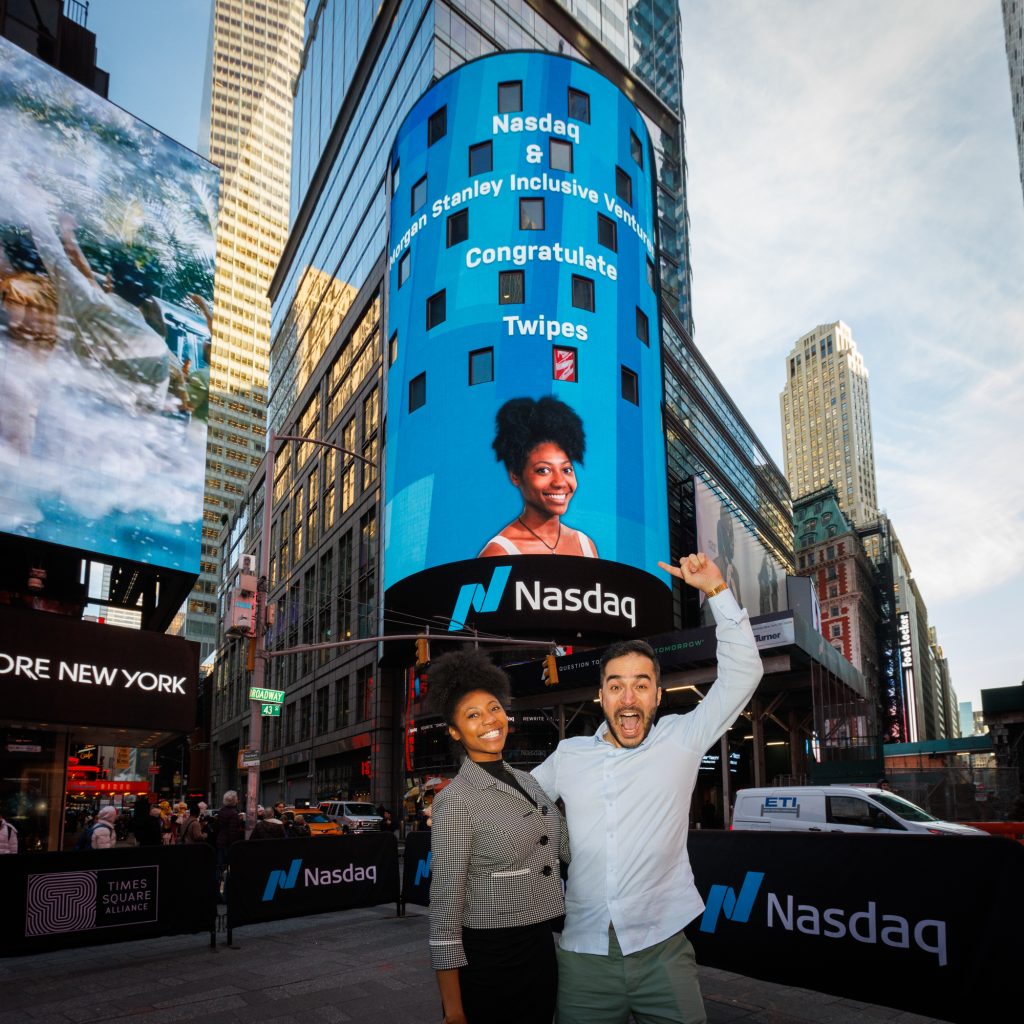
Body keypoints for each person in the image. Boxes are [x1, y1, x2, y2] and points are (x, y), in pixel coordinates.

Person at [533, 552, 763, 1024]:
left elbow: (744, 674)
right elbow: (511, 801)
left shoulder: (683, 738)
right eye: (616, 686)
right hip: (583, 957)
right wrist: (458, 801)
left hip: (663, 954)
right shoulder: (570, 754)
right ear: (601, 697)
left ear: (658, 696)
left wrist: (717, 592)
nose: (629, 697)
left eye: (642, 685)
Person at [428, 650, 567, 1024]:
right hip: (489, 959)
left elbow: (563, 846)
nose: (489, 720)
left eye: (493, 708)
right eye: (472, 715)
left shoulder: (528, 781)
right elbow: (444, 910)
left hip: (539, 948)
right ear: (455, 731)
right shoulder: (454, 801)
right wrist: (453, 1010)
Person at [479, 396, 598, 558]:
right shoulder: (499, 553)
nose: (559, 482)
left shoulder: (585, 546)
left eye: (566, 469)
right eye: (544, 470)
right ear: (515, 475)